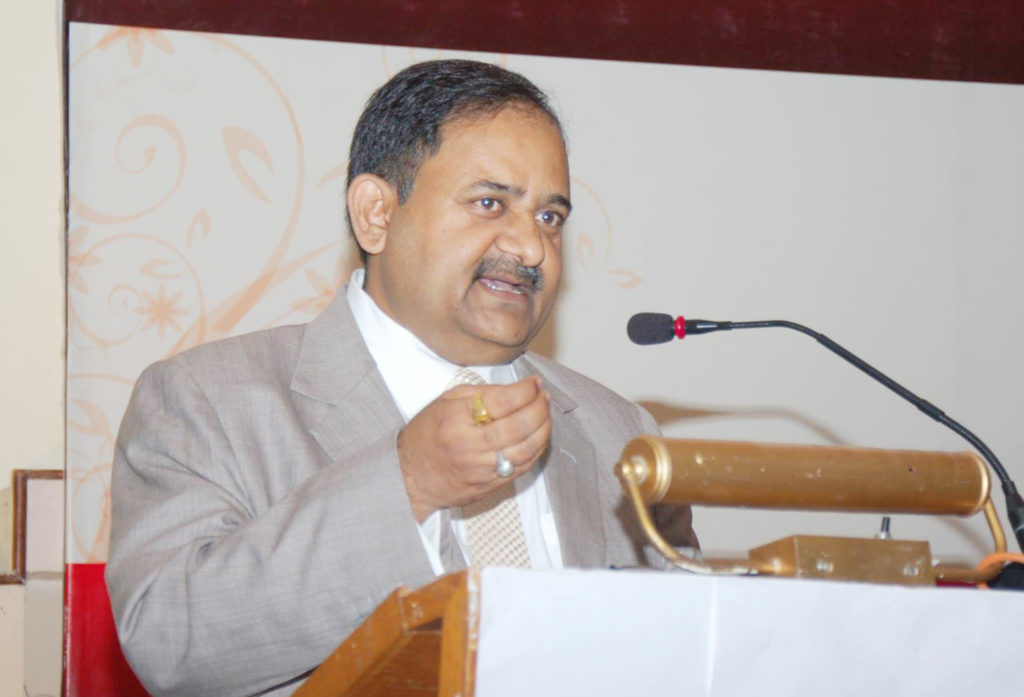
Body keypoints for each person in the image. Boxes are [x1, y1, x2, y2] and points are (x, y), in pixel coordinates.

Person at [106, 59, 697, 697]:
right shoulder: (208, 400)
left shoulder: (619, 432)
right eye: (490, 203)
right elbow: (167, 642)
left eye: (550, 217)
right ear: (376, 214)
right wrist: (408, 482)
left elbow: (690, 654)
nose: (531, 248)